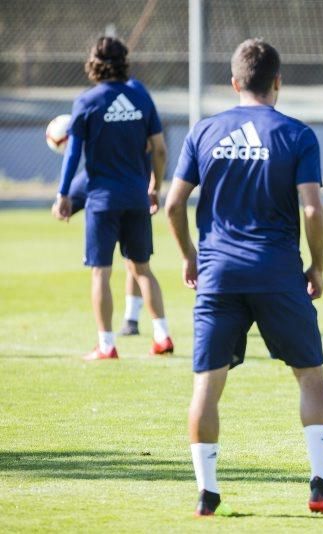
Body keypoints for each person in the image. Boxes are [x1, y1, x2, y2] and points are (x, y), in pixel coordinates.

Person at [165, 38, 323, 516]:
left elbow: (172, 203)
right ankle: (320, 489)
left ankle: (207, 495)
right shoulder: (296, 134)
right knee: (309, 376)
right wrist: (318, 264)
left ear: (234, 82)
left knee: (207, 383)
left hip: (219, 272)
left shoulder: (205, 131)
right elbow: (312, 206)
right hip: (278, 272)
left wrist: (189, 256)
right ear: (277, 83)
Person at [51, 36, 172, 360]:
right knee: (142, 269)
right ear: (124, 62)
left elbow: (73, 152)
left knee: (100, 273)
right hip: (136, 197)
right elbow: (159, 149)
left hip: (102, 201)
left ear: (93, 64)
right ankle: (162, 336)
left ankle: (106, 344)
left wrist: (63, 193)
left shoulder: (88, 101)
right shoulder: (140, 95)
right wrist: (154, 186)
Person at [69, 167, 148, 336]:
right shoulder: (141, 145)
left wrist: (63, 197)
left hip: (105, 199)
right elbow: (159, 151)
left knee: (102, 270)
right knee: (137, 264)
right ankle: (148, 327)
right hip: (135, 193)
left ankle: (106, 342)